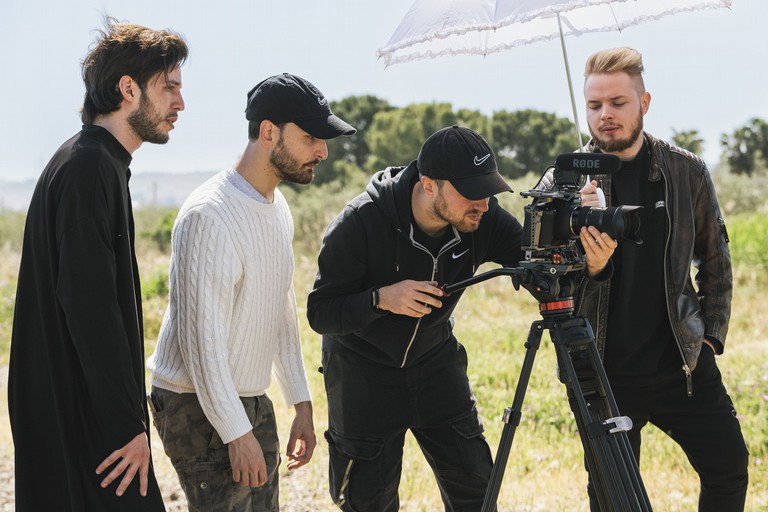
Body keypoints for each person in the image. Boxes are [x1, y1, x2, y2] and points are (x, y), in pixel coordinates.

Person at [306, 125, 617, 511]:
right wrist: (380, 298)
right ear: (429, 185)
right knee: (367, 501)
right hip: (361, 374)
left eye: (488, 190)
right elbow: (320, 312)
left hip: (436, 365)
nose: (483, 203)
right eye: (471, 192)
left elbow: (535, 263)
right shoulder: (360, 222)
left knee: (476, 491)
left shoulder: (482, 217)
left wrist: (584, 246)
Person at [146, 72, 356, 511]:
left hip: (246, 396)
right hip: (193, 402)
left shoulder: (277, 210)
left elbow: (278, 308)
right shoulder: (209, 216)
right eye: (312, 137)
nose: (323, 151)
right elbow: (201, 344)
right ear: (268, 132)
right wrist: (235, 432)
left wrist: (300, 401)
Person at [8, 19, 188, 512]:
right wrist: (125, 426)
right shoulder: (87, 168)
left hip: (80, 409)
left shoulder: (95, 162)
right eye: (168, 86)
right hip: (83, 419)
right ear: (128, 89)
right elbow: (91, 309)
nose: (180, 103)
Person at [573, 47, 749, 510]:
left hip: (683, 364)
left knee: (729, 468)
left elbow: (716, 259)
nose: (605, 115)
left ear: (644, 103)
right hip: (605, 373)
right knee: (615, 500)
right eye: (594, 106)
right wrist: (590, 264)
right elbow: (545, 282)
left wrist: (709, 339)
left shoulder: (684, 170)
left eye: (618, 103)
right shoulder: (567, 181)